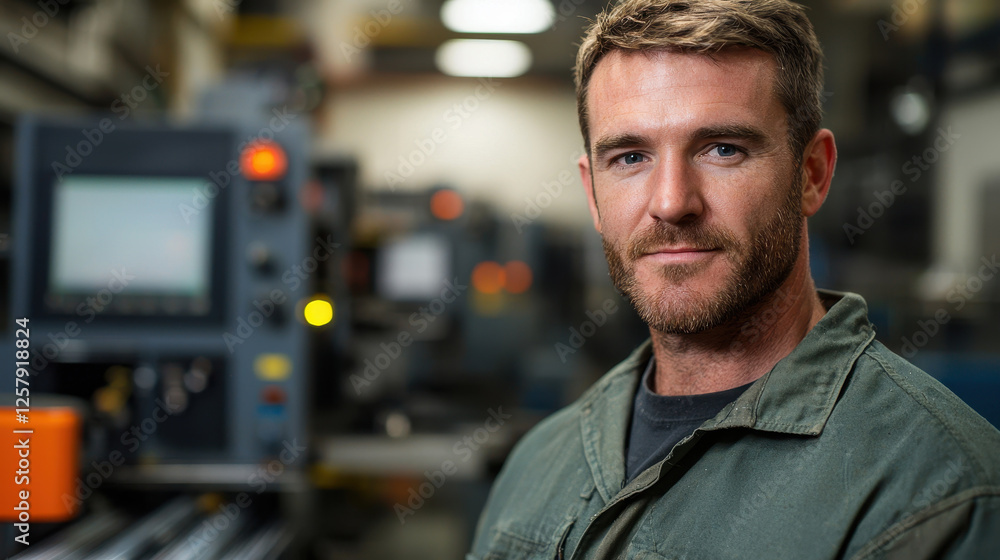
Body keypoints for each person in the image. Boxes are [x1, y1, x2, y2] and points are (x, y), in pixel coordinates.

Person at [467, 1, 1000, 558]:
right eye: (629, 157)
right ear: (591, 192)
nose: (671, 203)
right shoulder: (537, 463)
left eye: (723, 149)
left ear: (812, 174)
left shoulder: (942, 498)